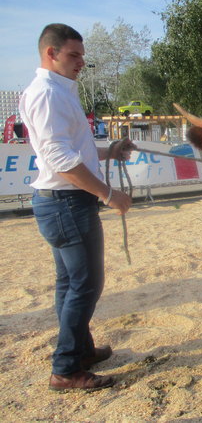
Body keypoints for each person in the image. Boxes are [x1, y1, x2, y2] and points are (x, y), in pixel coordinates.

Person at [19, 23, 136, 392]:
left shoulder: (58, 91)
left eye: (82, 56)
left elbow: (72, 150)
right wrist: (108, 194)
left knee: (70, 283)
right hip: (67, 203)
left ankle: (80, 351)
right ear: (50, 53)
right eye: (74, 55)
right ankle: (66, 368)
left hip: (62, 203)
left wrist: (108, 151)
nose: (81, 62)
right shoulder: (49, 94)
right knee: (86, 284)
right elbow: (59, 159)